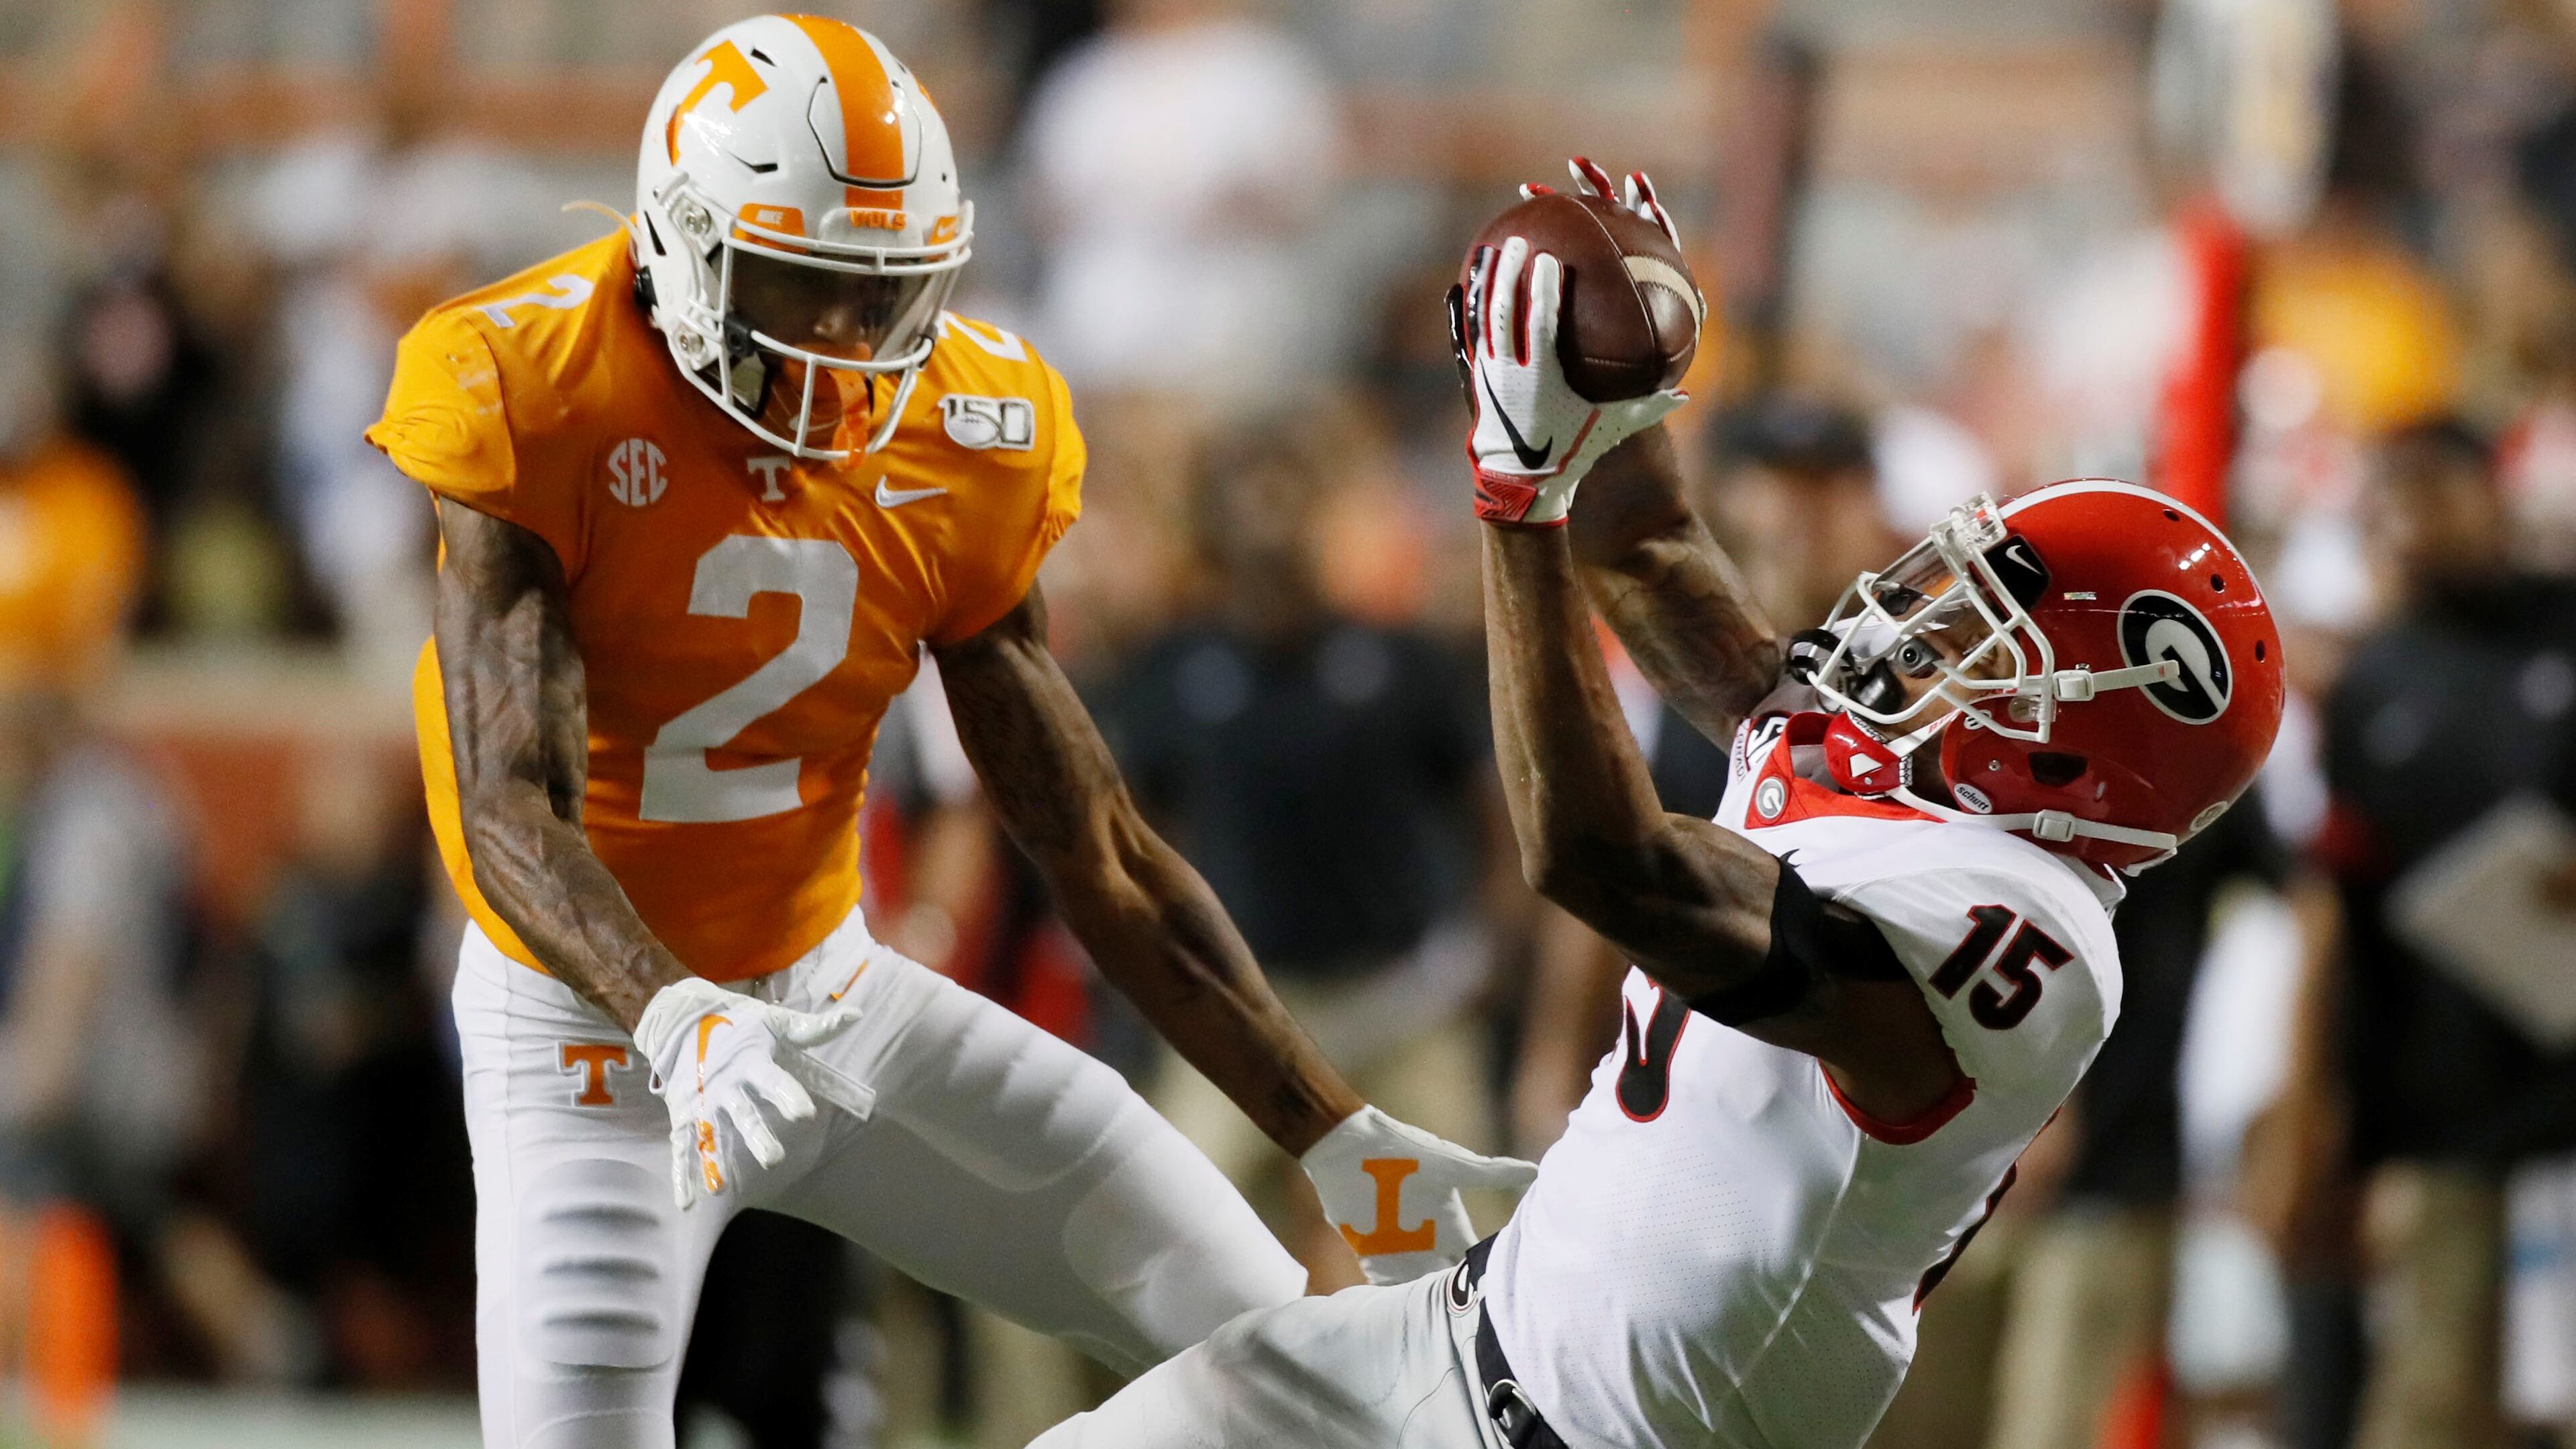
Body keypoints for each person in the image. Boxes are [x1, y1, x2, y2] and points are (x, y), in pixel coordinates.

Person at [362, 19, 1522, 1447]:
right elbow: (507, 808)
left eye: (884, 291)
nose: (852, 346)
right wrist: (674, 1013)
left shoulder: (966, 427)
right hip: (592, 1038)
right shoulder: (533, 381)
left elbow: (1097, 847)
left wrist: (1331, 1130)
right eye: (808, 285)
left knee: (1276, 1340)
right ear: (686, 245)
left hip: (832, 993)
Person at [1030, 158, 2288, 1449]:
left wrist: (1518, 493)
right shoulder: (1891, 771)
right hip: (1457, 1335)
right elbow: (1647, 549)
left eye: (1980, 636)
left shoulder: (2024, 931)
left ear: (2082, 745)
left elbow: (1602, 861)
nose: (1916, 624)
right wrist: (1610, 371)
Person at [1109, 421, 1507, 1283]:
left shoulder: (1403, 662)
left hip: (1397, 997)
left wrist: (1476, 947)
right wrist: (1170, 967)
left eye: (1288, 496)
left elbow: (1497, 818)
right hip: (1248, 1008)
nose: (1271, 523)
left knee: (1469, 1242)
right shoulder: (1171, 671)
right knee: (1172, 1223)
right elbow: (1127, 837)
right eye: (1251, 499)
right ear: (1213, 525)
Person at [2251, 418, 2576, 1449]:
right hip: (2441, 1102)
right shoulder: (2375, 682)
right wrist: (2320, 1117)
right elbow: (2336, 916)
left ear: (2492, 489)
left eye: (2434, 487)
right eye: (2391, 495)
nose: (2413, 517)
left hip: (2568, 1090)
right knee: (2430, 1399)